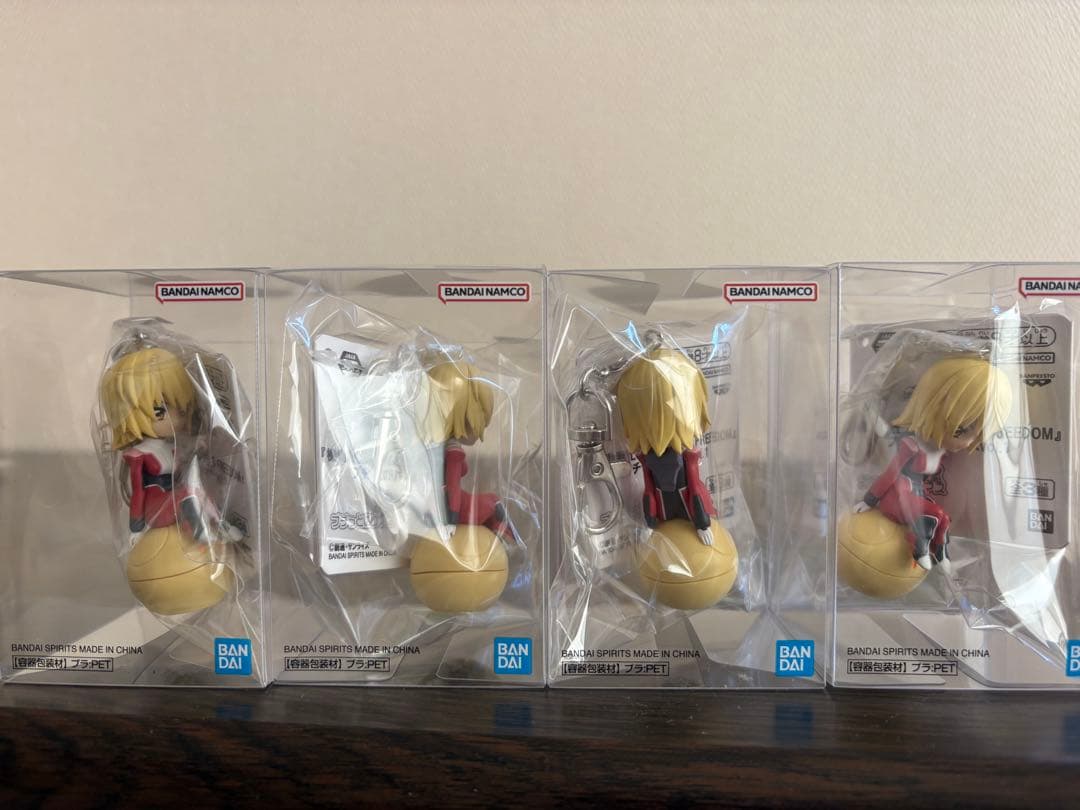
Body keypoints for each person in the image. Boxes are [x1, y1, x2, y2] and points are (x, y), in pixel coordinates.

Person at [855, 356, 1012, 571]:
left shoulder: (941, 451)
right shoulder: (910, 446)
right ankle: (920, 548)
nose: (968, 443)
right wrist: (870, 500)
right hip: (897, 497)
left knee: (943, 518)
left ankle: (940, 553)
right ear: (933, 407)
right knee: (936, 514)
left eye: (978, 434)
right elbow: (890, 474)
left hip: (916, 496)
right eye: (962, 429)